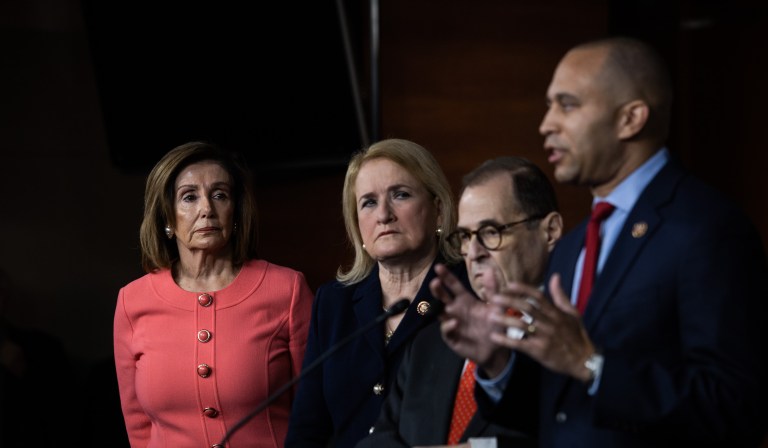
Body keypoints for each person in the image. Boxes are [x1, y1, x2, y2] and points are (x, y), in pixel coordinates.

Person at [430, 36, 768, 447]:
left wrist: (592, 365)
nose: (547, 124)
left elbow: (735, 408)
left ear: (631, 119)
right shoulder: (572, 248)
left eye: (567, 105)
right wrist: (497, 361)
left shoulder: (707, 229)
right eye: (549, 105)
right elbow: (555, 412)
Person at [114, 141, 314, 448]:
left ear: (235, 211)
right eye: (189, 197)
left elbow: (313, 410)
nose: (207, 208)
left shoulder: (286, 289)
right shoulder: (132, 301)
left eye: (220, 195)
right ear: (167, 218)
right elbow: (138, 427)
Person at [356, 156, 561, 448]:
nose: (474, 252)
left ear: (549, 231)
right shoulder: (432, 341)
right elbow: (377, 440)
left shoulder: (574, 332)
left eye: (491, 232)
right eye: (465, 236)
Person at [285, 138, 466, 448]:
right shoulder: (333, 303)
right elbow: (307, 429)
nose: (384, 214)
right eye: (368, 202)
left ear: (438, 210)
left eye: (401, 195)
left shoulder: (467, 294)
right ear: (357, 224)